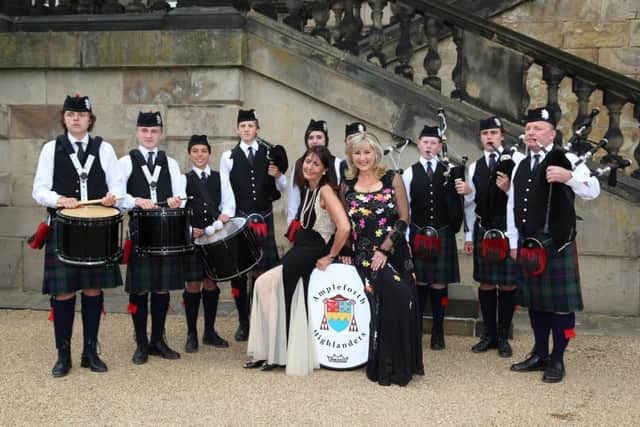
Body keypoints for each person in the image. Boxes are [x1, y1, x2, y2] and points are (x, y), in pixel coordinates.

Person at [32, 94, 124, 377]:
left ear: (89, 119)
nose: (76, 118)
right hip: (64, 226)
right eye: (71, 114)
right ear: (64, 118)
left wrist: (113, 197)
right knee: (64, 293)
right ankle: (63, 355)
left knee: (93, 290)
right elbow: (39, 190)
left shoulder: (104, 148)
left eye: (81, 114)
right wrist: (60, 198)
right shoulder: (51, 149)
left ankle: (90, 352)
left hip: (97, 228)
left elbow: (118, 187)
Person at [508, 107, 600, 383]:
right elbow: (513, 205)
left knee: (560, 305)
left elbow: (593, 189)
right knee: (535, 303)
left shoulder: (569, 158)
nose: (531, 133)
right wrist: (513, 242)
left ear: (552, 133)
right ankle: (540, 353)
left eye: (537, 128)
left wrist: (568, 177)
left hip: (556, 244)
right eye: (528, 128)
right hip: (529, 243)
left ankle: (557, 358)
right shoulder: (521, 164)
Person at [244, 145, 350, 374]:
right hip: (300, 248)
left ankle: (278, 353)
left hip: (312, 250)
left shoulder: (326, 192)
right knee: (263, 286)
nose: (309, 166)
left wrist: (330, 256)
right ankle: (272, 351)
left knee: (272, 287)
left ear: (324, 170)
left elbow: (344, 227)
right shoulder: (308, 189)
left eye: (315, 164)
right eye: (307, 161)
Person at [342, 131, 423, 386]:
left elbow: (403, 218)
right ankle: (384, 366)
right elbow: (343, 224)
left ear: (376, 153)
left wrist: (385, 249)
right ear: (351, 156)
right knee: (393, 297)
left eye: (367, 152)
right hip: (366, 255)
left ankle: (403, 365)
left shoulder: (392, 178)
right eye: (357, 153)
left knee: (404, 299)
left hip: (395, 251)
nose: (363, 158)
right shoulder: (346, 185)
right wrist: (344, 251)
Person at [119, 111, 186, 365]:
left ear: (161, 133)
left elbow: (181, 195)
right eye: (145, 131)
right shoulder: (125, 162)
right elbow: (116, 196)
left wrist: (175, 200)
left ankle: (158, 340)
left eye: (154, 131)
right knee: (139, 290)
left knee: (161, 289)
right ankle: (141, 342)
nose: (149, 135)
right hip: (140, 232)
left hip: (166, 233)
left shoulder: (171, 164)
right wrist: (135, 200)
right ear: (137, 132)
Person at [219, 109, 288, 341]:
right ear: (237, 129)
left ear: (257, 127)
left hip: (264, 218)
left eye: (251, 126)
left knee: (264, 274)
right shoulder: (228, 157)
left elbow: (283, 186)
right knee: (240, 274)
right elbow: (226, 190)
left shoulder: (269, 153)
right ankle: (243, 322)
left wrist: (277, 174)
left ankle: (262, 321)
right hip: (240, 220)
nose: (247, 129)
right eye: (243, 126)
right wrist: (228, 216)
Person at [461, 116, 525, 357]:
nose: (489, 137)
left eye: (493, 133)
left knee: (508, 284)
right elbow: (470, 205)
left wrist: (508, 189)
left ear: (502, 136)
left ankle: (503, 335)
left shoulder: (517, 161)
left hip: (508, 231)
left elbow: (523, 199)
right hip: (483, 230)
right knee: (486, 283)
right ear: (480, 137)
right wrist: (468, 236)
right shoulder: (475, 167)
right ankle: (488, 334)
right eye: (485, 133)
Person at [402, 125, 464, 351]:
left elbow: (460, 204)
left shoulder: (450, 171)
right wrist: (407, 239)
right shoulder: (409, 172)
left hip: (442, 233)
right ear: (418, 143)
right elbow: (405, 208)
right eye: (425, 142)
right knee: (419, 282)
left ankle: (438, 331)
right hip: (418, 233)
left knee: (439, 284)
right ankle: (415, 329)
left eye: (433, 143)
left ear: (440, 146)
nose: (429, 146)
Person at [182, 135, 235, 352]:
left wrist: (223, 218)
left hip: (214, 239)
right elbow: (179, 209)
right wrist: (188, 229)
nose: (199, 155)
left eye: (203, 150)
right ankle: (191, 333)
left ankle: (209, 331)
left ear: (209, 153)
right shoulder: (183, 179)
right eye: (195, 151)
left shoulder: (219, 177)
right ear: (189, 154)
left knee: (211, 284)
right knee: (193, 284)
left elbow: (229, 205)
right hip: (193, 240)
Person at [286, 119, 342, 228]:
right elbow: (294, 199)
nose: (315, 141)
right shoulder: (299, 164)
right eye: (311, 138)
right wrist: (291, 225)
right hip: (304, 223)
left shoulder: (337, 163)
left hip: (329, 225)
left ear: (326, 140)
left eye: (319, 137)